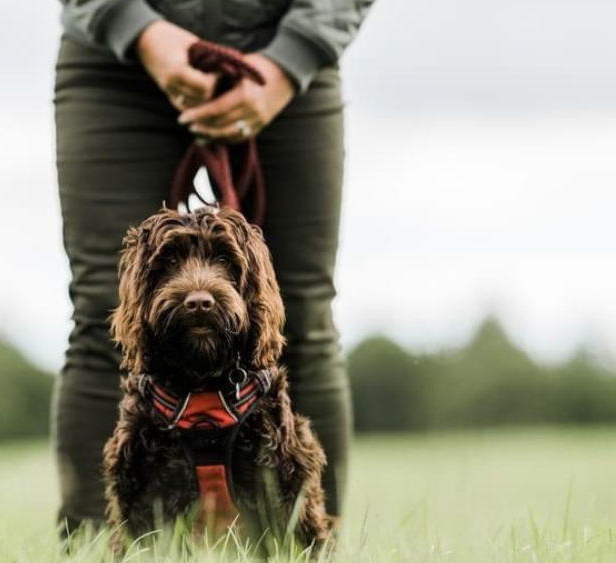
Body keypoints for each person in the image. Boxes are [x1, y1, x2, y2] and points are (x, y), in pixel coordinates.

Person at [53, 0, 375, 532]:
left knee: (303, 321)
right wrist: (140, 31)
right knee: (101, 319)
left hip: (289, 61)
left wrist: (290, 59)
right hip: (114, 64)